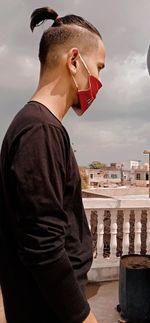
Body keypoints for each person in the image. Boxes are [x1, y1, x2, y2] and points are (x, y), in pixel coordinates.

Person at [0, 6, 105, 323]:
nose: (100, 81)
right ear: (74, 61)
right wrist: (83, 316)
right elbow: (44, 246)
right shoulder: (40, 131)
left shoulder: (39, 127)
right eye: (99, 67)